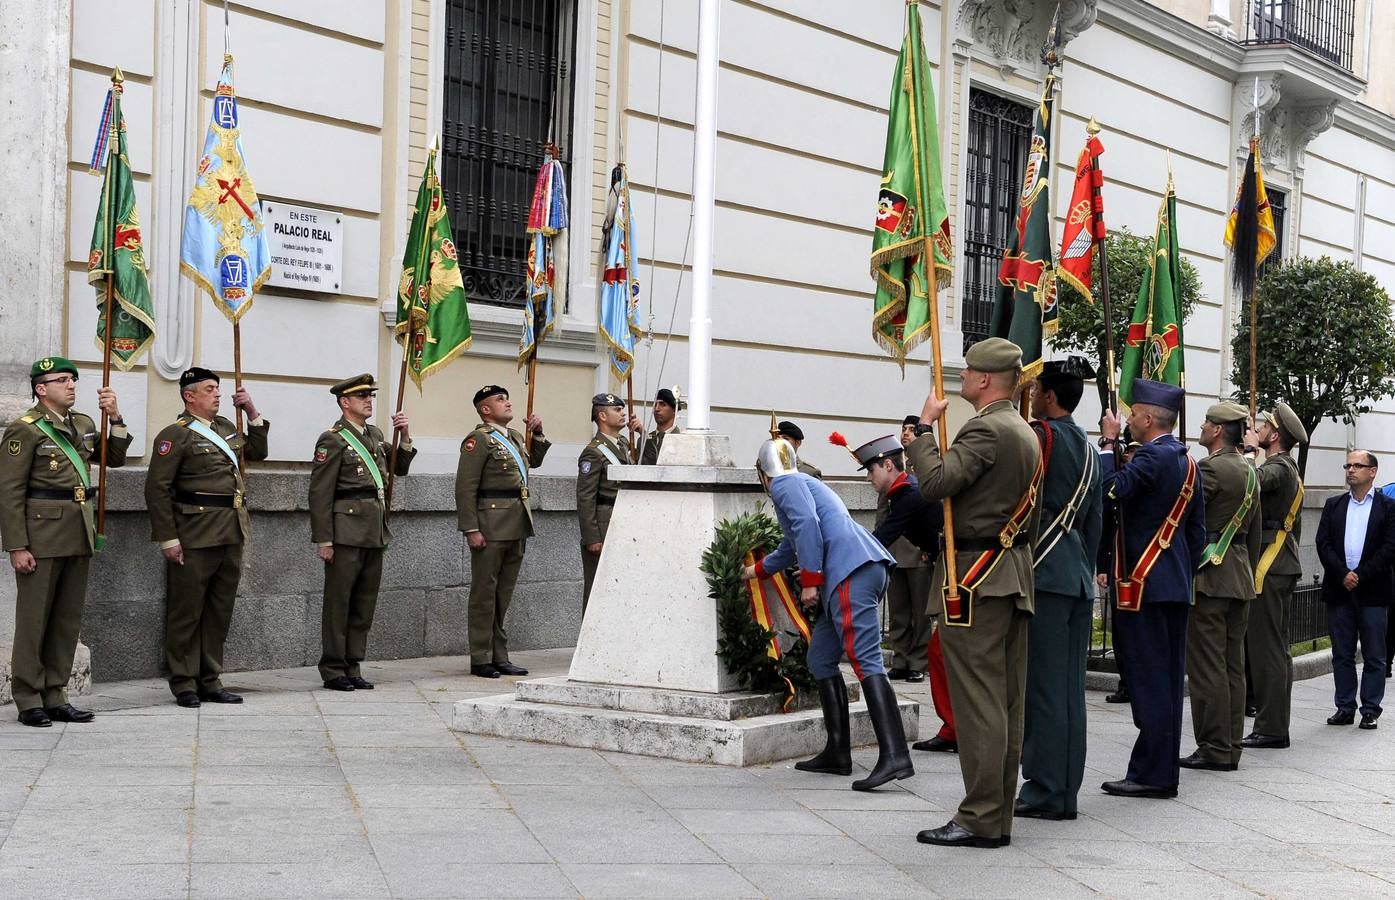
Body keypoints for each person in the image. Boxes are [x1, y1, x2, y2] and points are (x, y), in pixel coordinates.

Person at [908, 337, 1041, 850]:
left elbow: (936, 483)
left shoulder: (986, 427)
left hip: (976, 576)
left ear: (985, 379)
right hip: (1008, 573)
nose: (961, 377)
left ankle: (980, 817)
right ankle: (995, 814)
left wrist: (921, 431)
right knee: (1003, 702)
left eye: (967, 371)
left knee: (979, 703)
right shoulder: (1024, 431)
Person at [740, 428, 911, 792]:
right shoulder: (800, 482)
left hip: (850, 572)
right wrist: (757, 571)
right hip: (853, 571)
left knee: (866, 661)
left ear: (762, 472)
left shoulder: (785, 485)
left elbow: (807, 527)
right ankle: (837, 752)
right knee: (821, 658)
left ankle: (895, 755)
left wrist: (811, 581)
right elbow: (793, 541)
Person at [1, 357, 129, 727]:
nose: (71, 385)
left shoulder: (85, 423)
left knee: (65, 621)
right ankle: (28, 699)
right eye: (62, 380)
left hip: (78, 531)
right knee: (34, 621)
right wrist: (17, 546)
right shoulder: (24, 429)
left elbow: (114, 460)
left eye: (73, 379)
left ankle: (56, 694)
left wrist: (116, 418)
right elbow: (9, 493)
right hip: (40, 536)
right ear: (41, 389)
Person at [1096, 379, 1205, 799]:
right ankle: (1156, 769)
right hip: (1172, 585)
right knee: (1167, 684)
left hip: (1141, 587)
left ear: (1146, 418)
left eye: (1132, 414)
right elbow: (1197, 534)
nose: (1126, 420)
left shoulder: (1151, 460)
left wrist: (1108, 447)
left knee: (1146, 683)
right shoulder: (1187, 462)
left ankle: (1153, 775)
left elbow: (1107, 492)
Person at [145, 367, 269, 708]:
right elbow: (157, 489)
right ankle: (184, 681)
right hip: (195, 533)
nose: (217, 394)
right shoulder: (176, 434)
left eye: (218, 388)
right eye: (210, 389)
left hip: (231, 530)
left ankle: (210, 678)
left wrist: (252, 412)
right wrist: (168, 539)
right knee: (187, 611)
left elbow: (257, 452)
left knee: (218, 610)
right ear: (190, 396)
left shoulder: (228, 429)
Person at [1017, 356, 1103, 821]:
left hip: (1045, 576)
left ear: (1049, 396)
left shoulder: (1040, 437)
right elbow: (1094, 524)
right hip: (1074, 579)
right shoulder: (1090, 449)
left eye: (1036, 390)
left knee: (1045, 691)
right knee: (1068, 691)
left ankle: (1047, 790)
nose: (1030, 395)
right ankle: (1064, 786)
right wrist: (1083, 571)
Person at [309, 374, 414, 691]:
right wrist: (324, 539)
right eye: (361, 396)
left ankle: (352, 664)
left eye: (370, 396)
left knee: (363, 603)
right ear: (345, 402)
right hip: (345, 531)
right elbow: (320, 493)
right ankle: (333, 668)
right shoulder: (333, 439)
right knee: (339, 603)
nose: (369, 400)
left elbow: (400, 468)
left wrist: (405, 436)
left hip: (373, 530)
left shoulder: (376, 434)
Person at [1182, 402, 1262, 772]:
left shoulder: (1210, 469)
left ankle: (1213, 747)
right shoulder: (1249, 470)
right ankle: (1231, 745)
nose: (1201, 426)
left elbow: (1189, 523)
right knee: (1232, 665)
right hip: (1240, 574)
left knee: (1207, 666)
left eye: (1206, 423)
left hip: (1211, 576)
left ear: (1216, 431)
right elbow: (1256, 532)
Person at [456, 385, 549, 678]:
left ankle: (499, 654)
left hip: (517, 522)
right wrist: (471, 528)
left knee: (502, 595)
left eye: (507, 398)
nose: (507, 403)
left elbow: (533, 461)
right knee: (485, 593)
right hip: (490, 524)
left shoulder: (515, 437)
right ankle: (480, 657)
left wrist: (540, 433)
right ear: (485, 409)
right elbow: (465, 487)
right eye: (500, 400)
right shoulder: (478, 440)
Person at [1241, 404, 1307, 750]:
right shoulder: (1286, 466)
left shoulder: (1280, 467)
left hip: (1271, 560)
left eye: (1265, 426)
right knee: (1276, 649)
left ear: (1276, 435)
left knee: (1267, 649)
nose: (1260, 429)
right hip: (1279, 561)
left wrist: (1250, 451)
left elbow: (1253, 483)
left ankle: (1270, 728)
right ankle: (1273, 724)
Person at [1314, 450, 1395, 730]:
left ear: (1373, 471)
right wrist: (1342, 574)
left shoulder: (1388, 507)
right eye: (1348, 465)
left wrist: (1359, 574)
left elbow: (1390, 548)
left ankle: (1370, 709)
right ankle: (1345, 707)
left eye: (1358, 465)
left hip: (1373, 591)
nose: (1351, 470)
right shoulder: (1334, 505)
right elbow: (1323, 543)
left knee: (1374, 654)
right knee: (1342, 653)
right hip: (1339, 590)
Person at [878, 418, 935, 684]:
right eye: (904, 429)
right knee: (899, 612)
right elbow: (883, 516)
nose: (906, 434)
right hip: (895, 550)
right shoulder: (891, 468)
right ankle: (900, 659)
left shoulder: (928, 465)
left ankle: (918, 662)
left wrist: (929, 548)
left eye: (911, 430)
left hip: (919, 550)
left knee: (920, 612)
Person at [578, 393, 639, 608]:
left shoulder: (623, 443)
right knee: (598, 588)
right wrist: (591, 537)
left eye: (622, 409)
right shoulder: (593, 452)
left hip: (624, 519)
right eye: (617, 410)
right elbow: (585, 497)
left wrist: (642, 434)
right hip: (604, 522)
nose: (623, 413)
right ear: (602, 415)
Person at [1099, 440, 1141, 705]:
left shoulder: (1139, 482)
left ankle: (1137, 683)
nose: (1130, 456)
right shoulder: (1119, 484)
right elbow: (1105, 529)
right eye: (1128, 452)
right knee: (1120, 632)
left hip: (1140, 564)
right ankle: (1126, 682)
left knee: (1138, 631)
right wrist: (1102, 566)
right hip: (1118, 563)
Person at [635, 387, 682, 465]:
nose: (656, 409)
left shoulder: (681, 440)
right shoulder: (643, 439)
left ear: (674, 410)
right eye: (655, 404)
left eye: (663, 405)